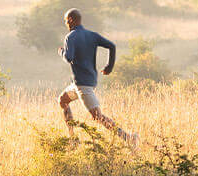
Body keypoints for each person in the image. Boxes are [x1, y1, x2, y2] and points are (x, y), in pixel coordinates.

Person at [57, 8, 138, 147]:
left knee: (97, 117)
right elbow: (112, 46)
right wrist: (109, 67)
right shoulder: (92, 35)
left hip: (83, 86)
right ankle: (73, 138)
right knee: (62, 100)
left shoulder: (70, 37)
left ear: (70, 20)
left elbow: (69, 57)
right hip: (83, 83)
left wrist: (61, 52)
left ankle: (128, 137)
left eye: (65, 21)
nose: (66, 24)